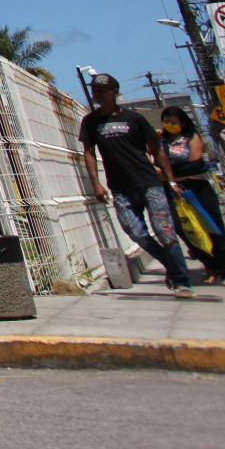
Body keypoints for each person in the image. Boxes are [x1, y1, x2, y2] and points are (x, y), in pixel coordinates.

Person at [79, 75, 193, 297]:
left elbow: (157, 150)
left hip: (150, 184)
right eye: (95, 90)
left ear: (114, 92)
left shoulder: (135, 119)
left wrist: (170, 180)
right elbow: (89, 153)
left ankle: (182, 281)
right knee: (135, 232)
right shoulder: (90, 122)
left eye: (102, 90)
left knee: (166, 232)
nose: (97, 94)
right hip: (121, 188)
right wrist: (96, 184)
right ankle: (171, 265)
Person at [160, 105, 225, 286]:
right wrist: (169, 175)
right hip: (173, 189)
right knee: (181, 228)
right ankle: (210, 264)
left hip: (197, 186)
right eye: (167, 122)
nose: (170, 125)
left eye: (174, 122)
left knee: (213, 227)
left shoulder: (191, 137)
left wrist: (167, 172)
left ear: (183, 123)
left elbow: (195, 163)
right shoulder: (161, 141)